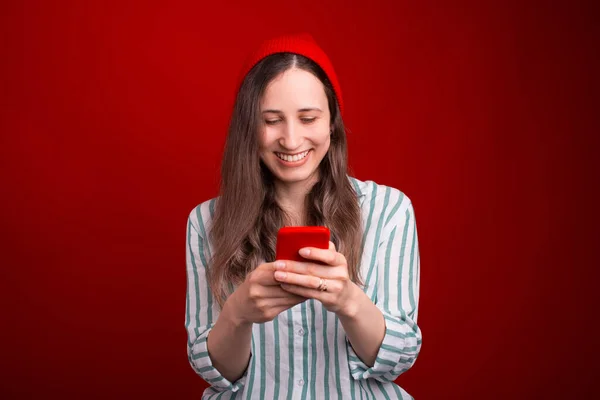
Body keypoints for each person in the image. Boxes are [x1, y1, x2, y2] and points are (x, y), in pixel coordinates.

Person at [185, 33, 422, 399]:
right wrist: (238, 313)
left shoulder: (389, 210)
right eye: (272, 120)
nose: (291, 140)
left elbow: (398, 359)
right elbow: (217, 374)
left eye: (308, 118)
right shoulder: (206, 222)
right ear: (249, 127)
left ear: (332, 122)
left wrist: (348, 300)